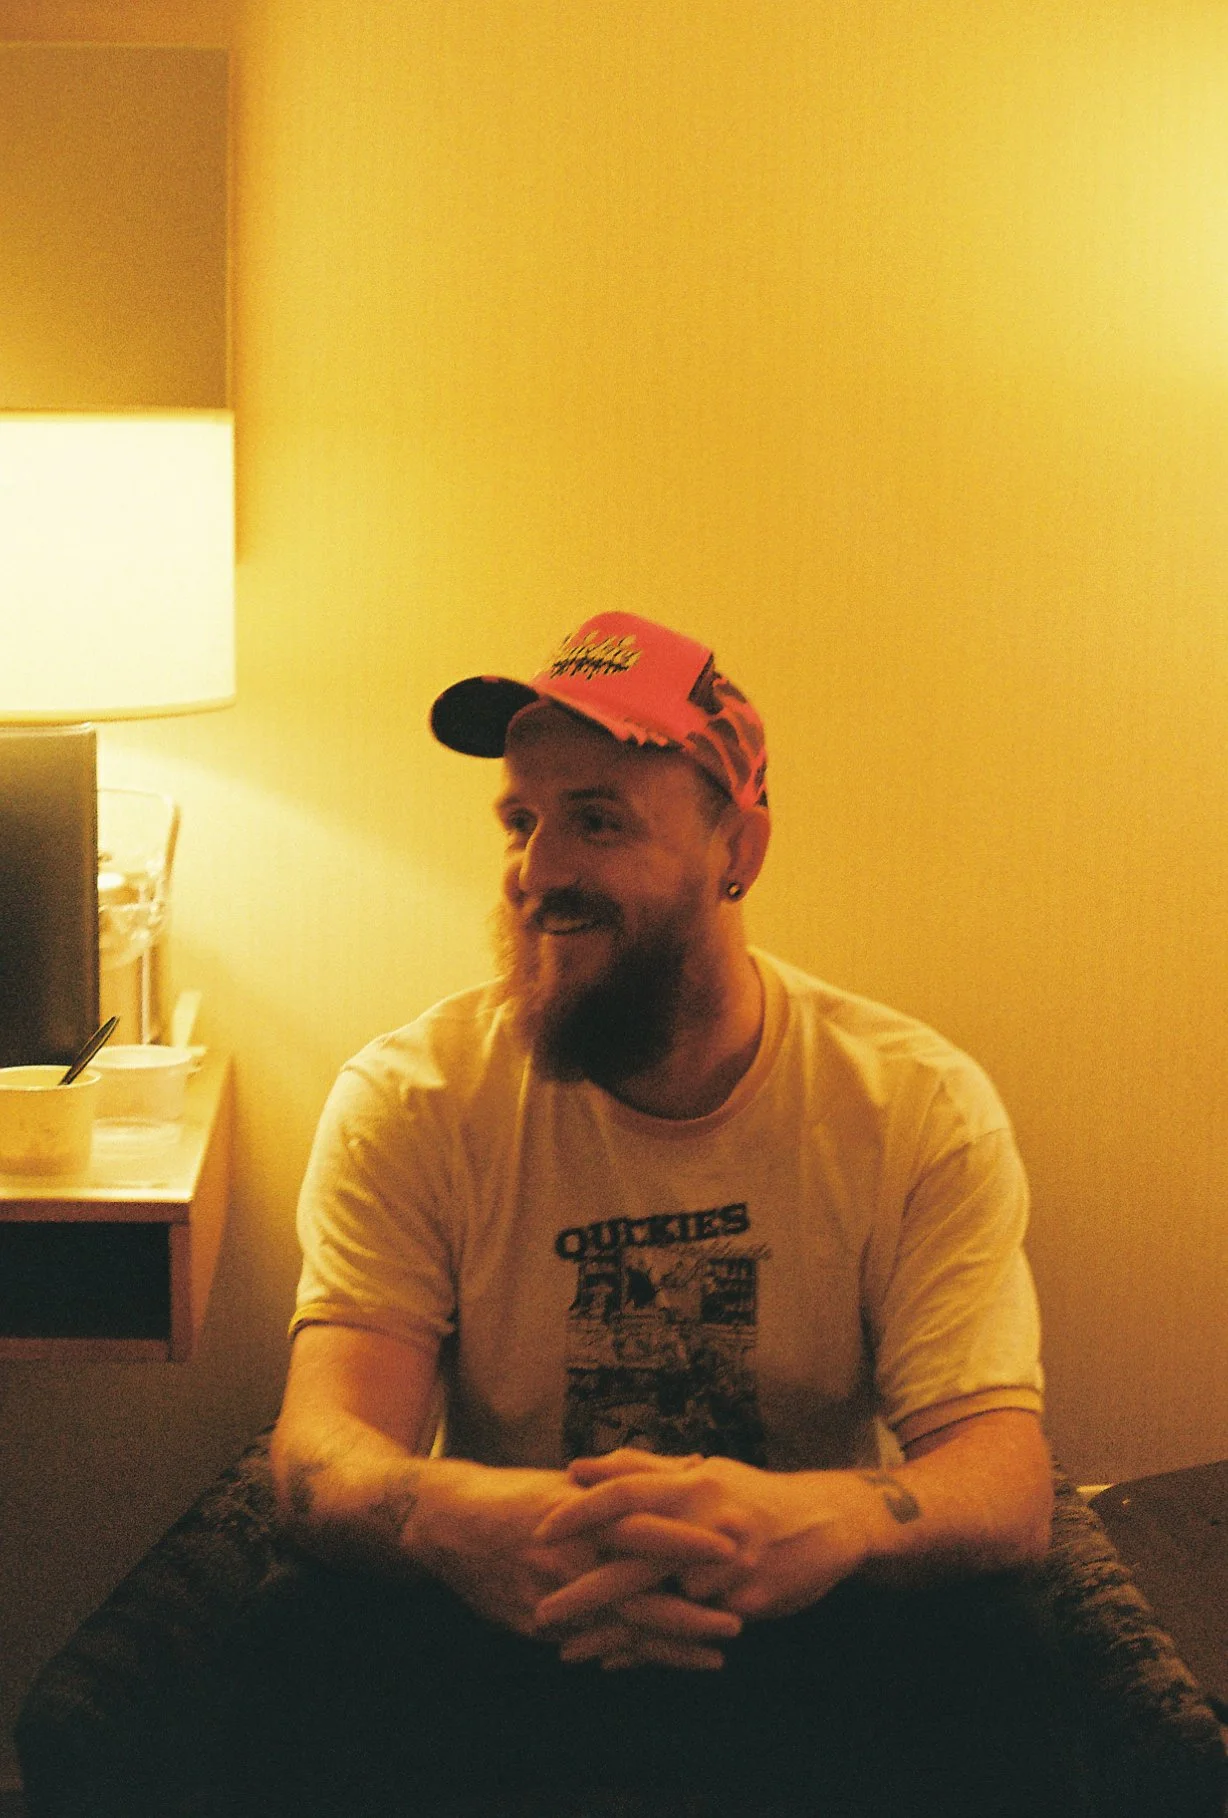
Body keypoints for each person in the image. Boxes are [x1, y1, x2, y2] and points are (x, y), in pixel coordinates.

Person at [266, 612, 1079, 1817]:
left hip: (807, 1642)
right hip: (509, 1630)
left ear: (736, 844)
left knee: (1014, 1665)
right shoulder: (413, 1098)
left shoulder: (909, 1103)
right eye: (522, 820)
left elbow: (1006, 1483)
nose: (539, 872)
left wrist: (824, 1521)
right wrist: (459, 1509)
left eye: (598, 820)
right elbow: (318, 1450)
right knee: (307, 1647)